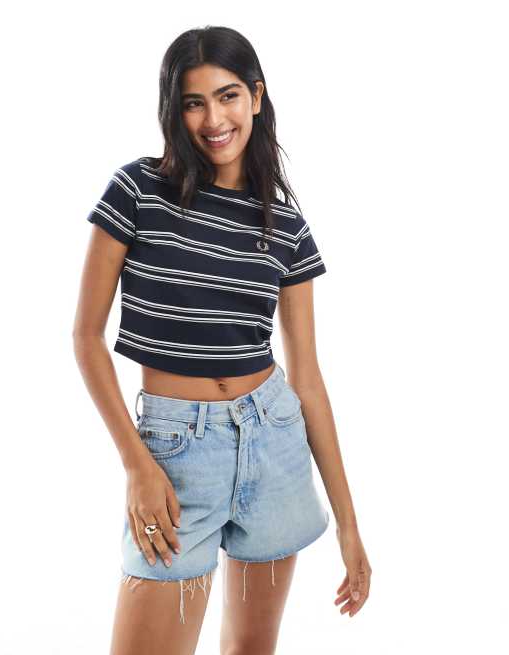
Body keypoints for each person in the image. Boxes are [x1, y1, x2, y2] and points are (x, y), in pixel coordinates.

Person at [73, 25, 371, 655]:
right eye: (194, 102)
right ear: (173, 109)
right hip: (176, 451)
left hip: (273, 437)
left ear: (256, 97)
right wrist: (136, 463)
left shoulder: (285, 224)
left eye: (228, 95)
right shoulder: (137, 191)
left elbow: (309, 379)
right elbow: (85, 337)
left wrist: (350, 526)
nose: (214, 119)